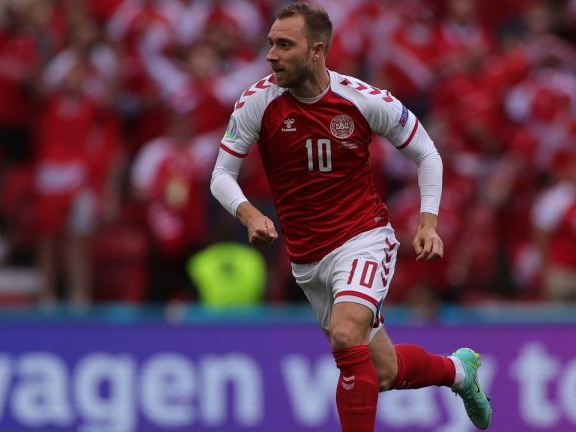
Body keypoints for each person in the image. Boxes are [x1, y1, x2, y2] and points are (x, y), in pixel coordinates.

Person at [210, 3, 492, 431]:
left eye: (285, 45)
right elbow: (221, 175)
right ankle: (458, 371)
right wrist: (248, 213)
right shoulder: (257, 102)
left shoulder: (362, 99)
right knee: (382, 372)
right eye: (270, 44)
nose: (271, 55)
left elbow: (427, 154)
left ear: (317, 50)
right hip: (308, 260)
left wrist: (428, 221)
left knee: (346, 334)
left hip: (363, 237)